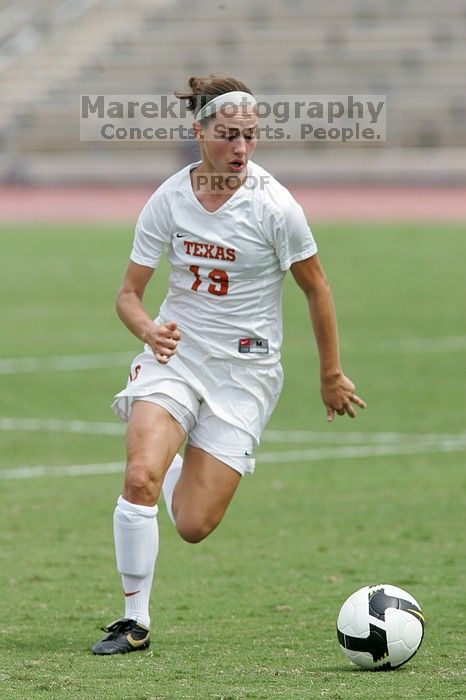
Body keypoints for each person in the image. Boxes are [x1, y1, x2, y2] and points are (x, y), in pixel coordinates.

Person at [91, 75, 366, 655]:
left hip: (245, 374)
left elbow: (317, 289)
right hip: (176, 356)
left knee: (193, 523)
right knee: (137, 477)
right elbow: (127, 295)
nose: (240, 149)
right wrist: (148, 329)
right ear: (200, 133)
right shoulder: (169, 199)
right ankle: (132, 620)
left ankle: (177, 463)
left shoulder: (274, 206)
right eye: (228, 136)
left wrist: (330, 373)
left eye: (250, 137)